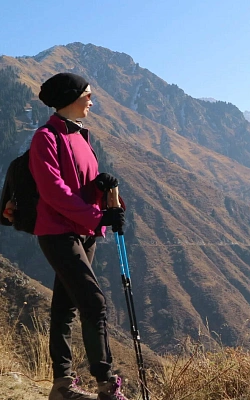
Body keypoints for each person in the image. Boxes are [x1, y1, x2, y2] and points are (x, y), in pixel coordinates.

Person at [28, 72, 129, 400]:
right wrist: (99, 215)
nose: (91, 100)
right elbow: (53, 190)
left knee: (65, 307)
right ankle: (106, 386)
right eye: (88, 95)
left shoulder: (80, 135)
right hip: (58, 233)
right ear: (71, 97)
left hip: (83, 232)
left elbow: (78, 184)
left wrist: (103, 191)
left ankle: (62, 386)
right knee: (94, 303)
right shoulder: (46, 137)